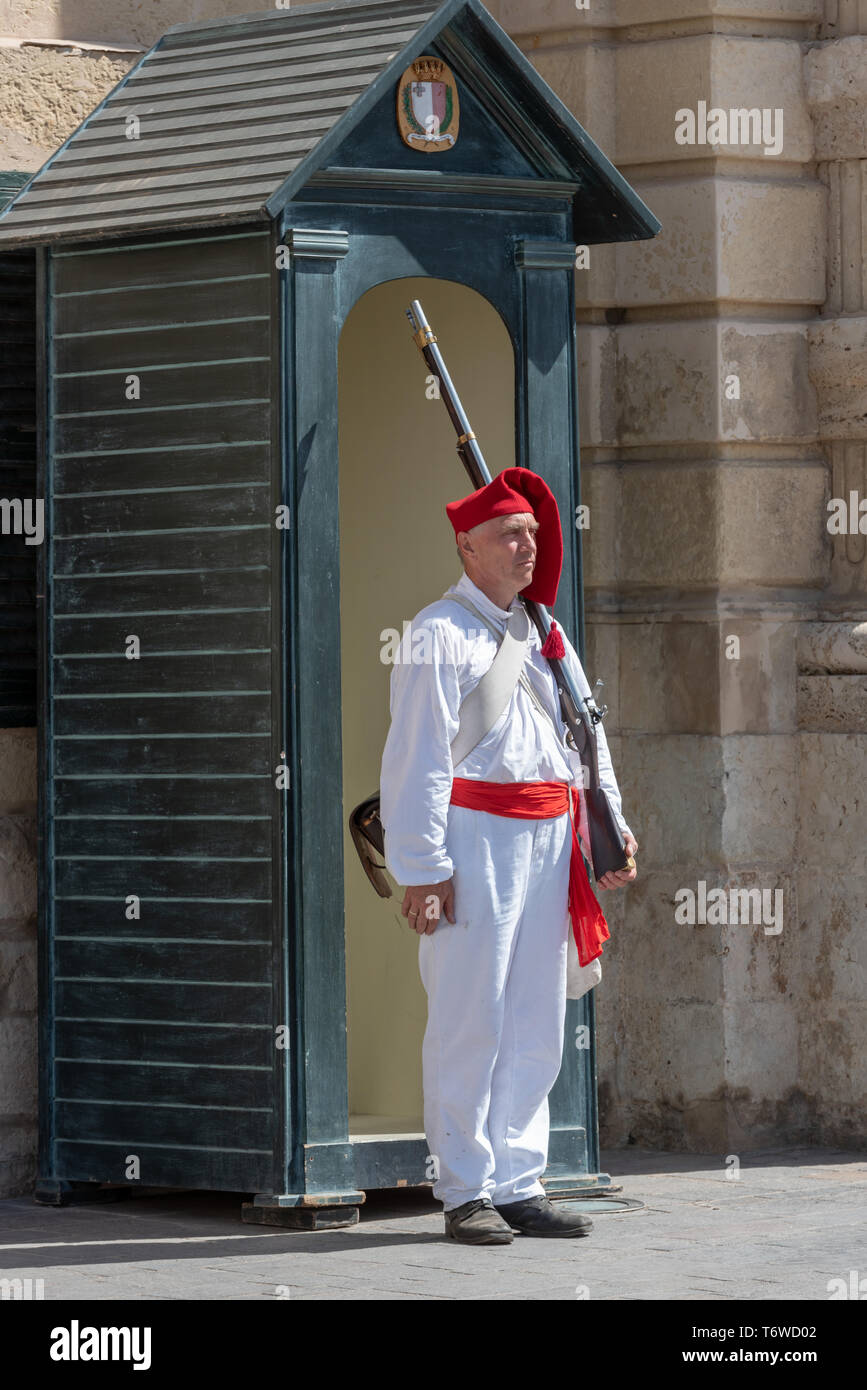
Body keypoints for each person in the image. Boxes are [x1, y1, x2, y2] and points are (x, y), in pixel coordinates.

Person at [379, 467, 637, 1245]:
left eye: (530, 532)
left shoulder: (546, 633)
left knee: (534, 1017)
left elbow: (583, 738)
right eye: (508, 534)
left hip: (551, 836)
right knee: (470, 1016)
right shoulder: (436, 632)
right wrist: (421, 870)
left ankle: (519, 1181)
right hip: (473, 837)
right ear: (467, 546)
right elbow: (417, 760)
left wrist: (609, 827)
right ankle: (463, 1190)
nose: (527, 546)